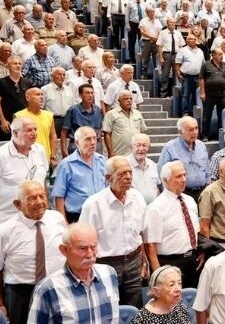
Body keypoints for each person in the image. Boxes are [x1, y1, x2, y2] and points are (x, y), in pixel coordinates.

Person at [0, 181, 66, 324]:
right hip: (21, 293)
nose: (39, 202)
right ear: (18, 204)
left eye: (42, 196)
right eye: (31, 198)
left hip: (56, 287)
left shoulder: (57, 218)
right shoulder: (4, 231)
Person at [79, 156, 147, 307]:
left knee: (135, 310)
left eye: (130, 172)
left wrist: (144, 261)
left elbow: (140, 233)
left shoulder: (138, 198)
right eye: (122, 173)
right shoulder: (93, 205)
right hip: (106, 264)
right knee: (109, 310)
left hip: (134, 261)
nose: (128, 177)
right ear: (109, 178)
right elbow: (82, 242)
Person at [144, 161, 201, 289]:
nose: (184, 180)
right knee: (172, 305)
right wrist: (158, 274)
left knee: (191, 300)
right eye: (178, 177)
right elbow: (150, 245)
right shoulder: (156, 208)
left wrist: (200, 250)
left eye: (184, 175)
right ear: (165, 180)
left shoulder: (190, 201)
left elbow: (195, 231)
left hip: (192, 260)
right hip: (170, 263)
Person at [52, 126, 107, 222]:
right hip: (76, 216)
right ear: (77, 143)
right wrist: (64, 224)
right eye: (88, 139)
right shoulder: (67, 164)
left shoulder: (102, 161)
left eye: (95, 138)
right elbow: (59, 197)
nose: (93, 142)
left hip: (101, 214)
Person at [158, 116, 212, 202]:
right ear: (180, 132)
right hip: (181, 193)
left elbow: (207, 170)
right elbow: (163, 175)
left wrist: (208, 187)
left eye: (196, 128)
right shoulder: (170, 147)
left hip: (203, 192)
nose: (195, 132)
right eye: (190, 130)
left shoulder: (201, 145)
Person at [102, 90, 148, 157]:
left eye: (130, 98)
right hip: (119, 154)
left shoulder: (138, 113)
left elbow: (142, 132)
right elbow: (107, 134)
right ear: (119, 101)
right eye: (125, 99)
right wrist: (110, 152)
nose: (129, 100)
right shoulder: (111, 114)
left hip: (135, 154)